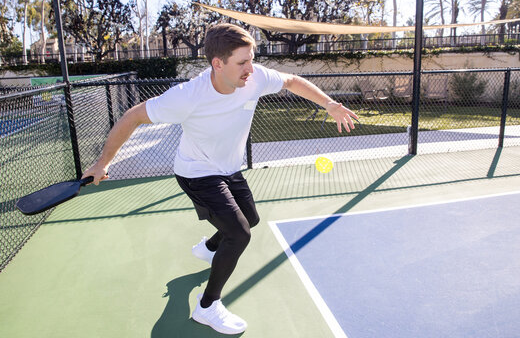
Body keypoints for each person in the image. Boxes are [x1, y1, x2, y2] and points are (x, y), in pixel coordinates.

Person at [82, 23, 359, 335]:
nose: (250, 69)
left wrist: (330, 104)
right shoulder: (187, 96)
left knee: (250, 219)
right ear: (218, 64)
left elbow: (292, 81)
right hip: (197, 173)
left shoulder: (255, 78)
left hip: (229, 168)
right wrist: (102, 162)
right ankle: (206, 307)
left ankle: (209, 248)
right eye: (242, 62)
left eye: (251, 60)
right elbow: (133, 115)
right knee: (240, 234)